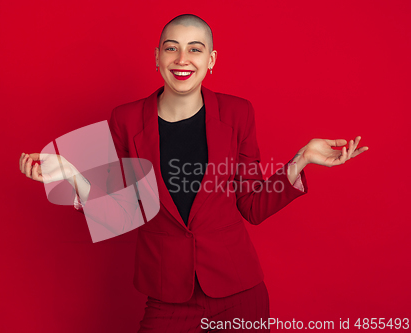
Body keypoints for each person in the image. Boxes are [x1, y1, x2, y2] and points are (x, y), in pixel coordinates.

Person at [19, 14, 368, 332]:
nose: (182, 59)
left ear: (210, 60)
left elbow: (252, 206)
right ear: (156, 57)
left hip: (239, 294)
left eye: (195, 49)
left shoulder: (237, 113)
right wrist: (72, 176)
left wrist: (301, 159)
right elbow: (125, 211)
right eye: (171, 48)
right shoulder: (125, 119)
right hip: (167, 296)